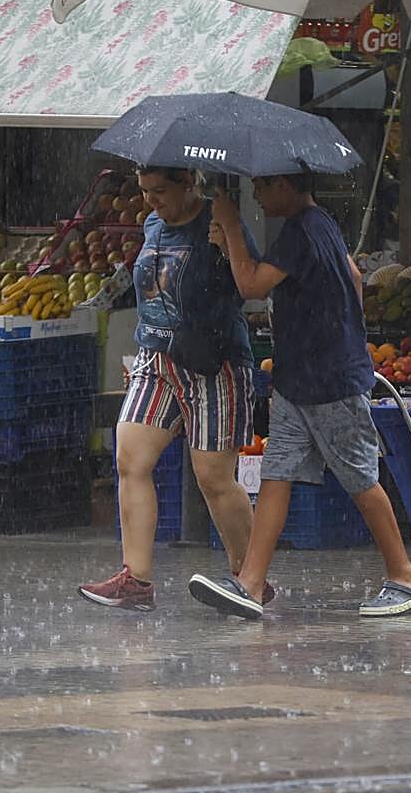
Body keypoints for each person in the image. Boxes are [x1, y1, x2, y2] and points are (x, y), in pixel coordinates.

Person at [186, 172, 411, 619]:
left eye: (262, 187)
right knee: (277, 474)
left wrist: (232, 226)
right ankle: (251, 583)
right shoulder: (321, 226)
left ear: (284, 184)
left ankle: (405, 576)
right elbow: (354, 277)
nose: (257, 194)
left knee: (359, 475)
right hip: (299, 378)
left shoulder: (302, 230)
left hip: (329, 382)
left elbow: (251, 286)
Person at [78, 167, 273, 611]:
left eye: (160, 191)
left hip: (213, 361)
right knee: (130, 458)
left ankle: (249, 577)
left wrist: (228, 244)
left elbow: (247, 287)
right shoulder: (151, 225)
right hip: (156, 358)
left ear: (189, 183)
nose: (151, 201)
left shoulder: (219, 223)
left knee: (214, 478)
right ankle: (136, 579)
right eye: (145, 191)